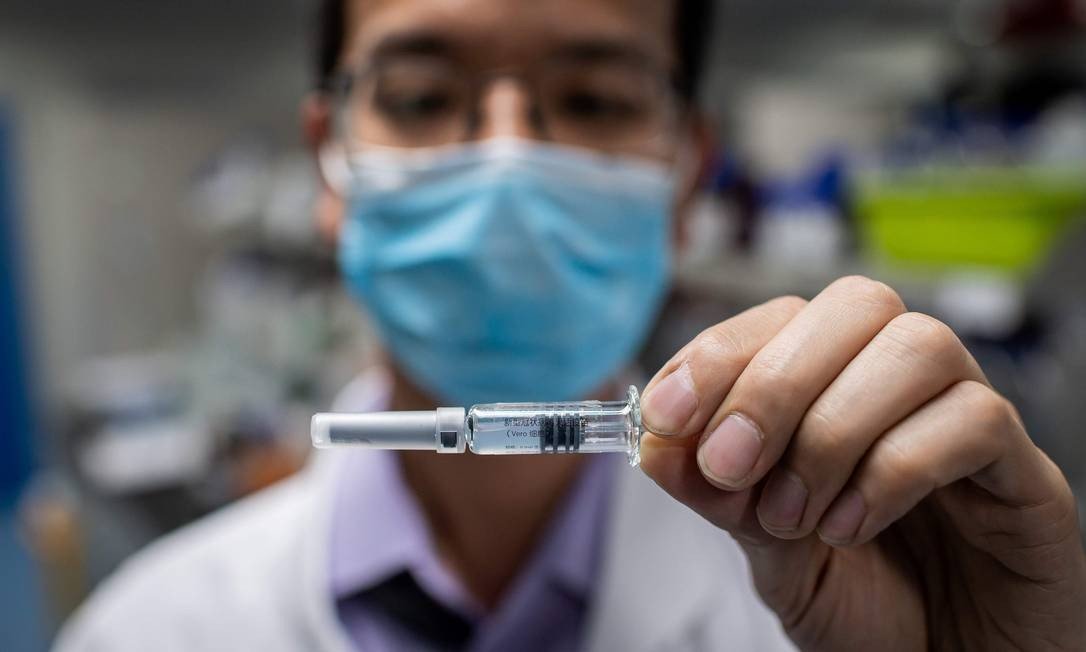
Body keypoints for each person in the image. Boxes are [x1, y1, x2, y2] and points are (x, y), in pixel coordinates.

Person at [56, 0, 1086, 650]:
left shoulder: (848, 601)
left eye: (593, 99)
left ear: (686, 172)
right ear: (331, 162)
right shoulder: (148, 631)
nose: (507, 162)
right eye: (421, 95)